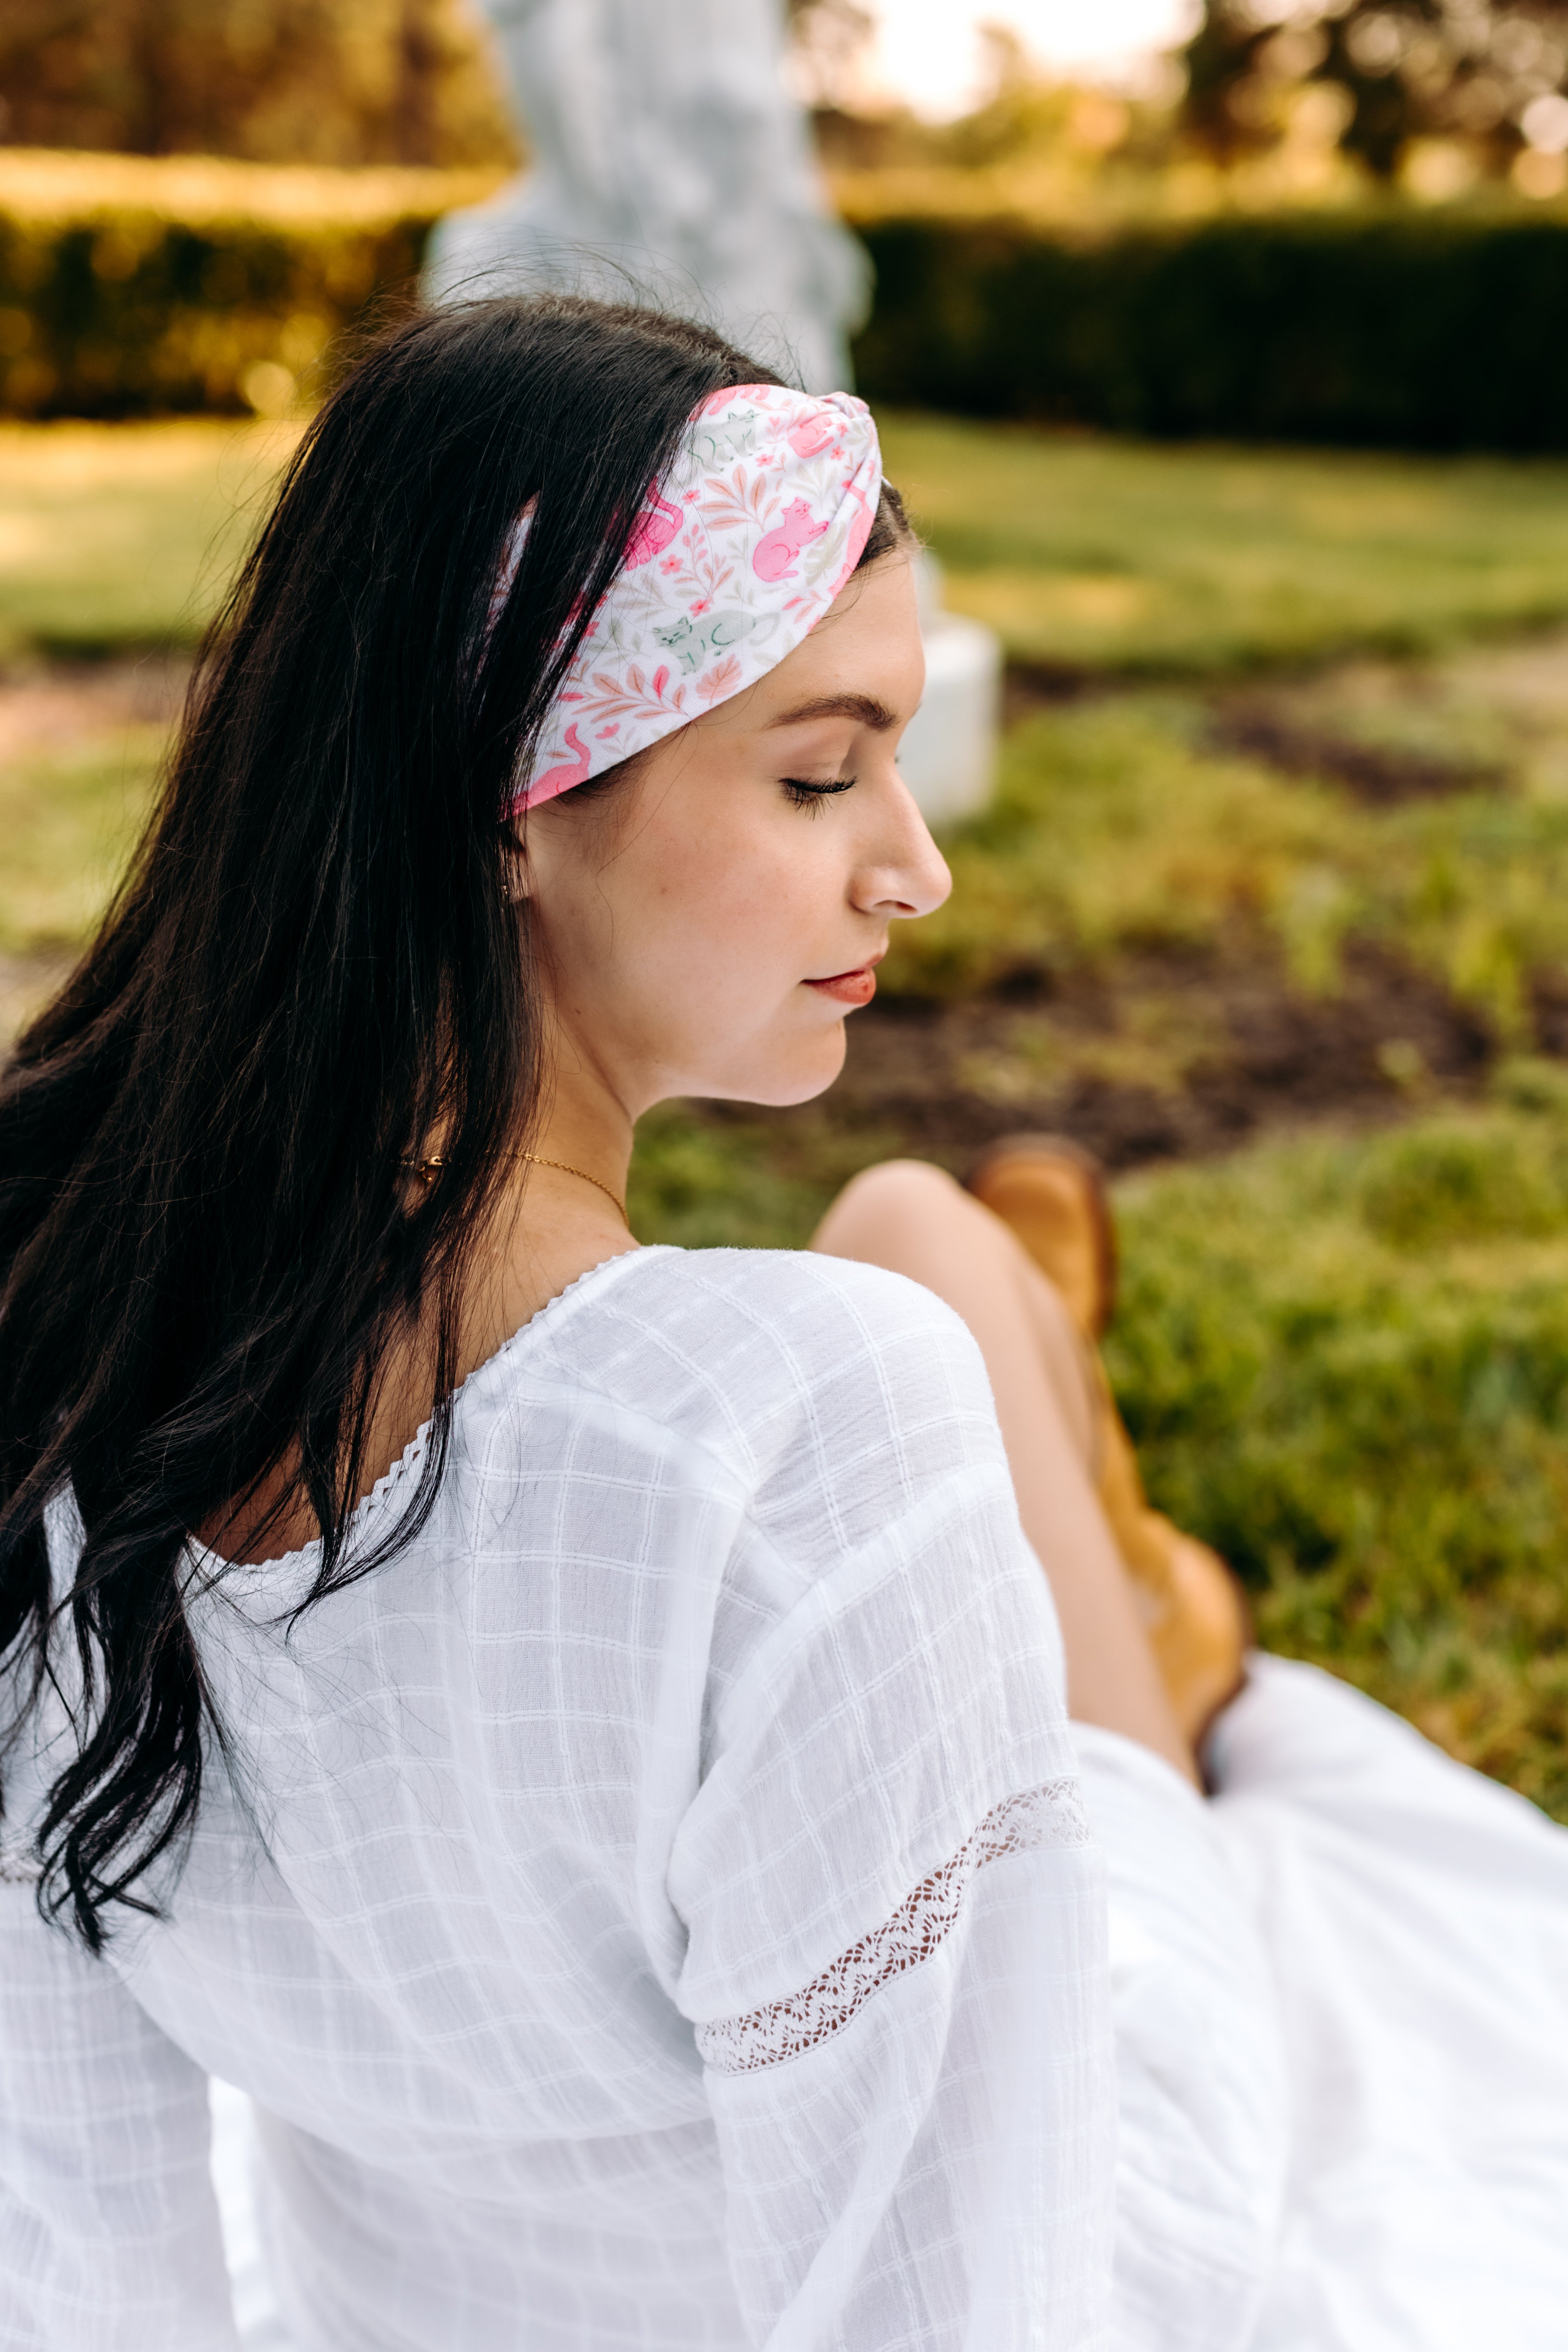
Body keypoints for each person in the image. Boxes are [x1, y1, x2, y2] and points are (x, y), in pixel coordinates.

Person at [1, 296, 1565, 2352]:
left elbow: (78, 2230)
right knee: (923, 1268)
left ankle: (1059, 1415)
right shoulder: (788, 1423)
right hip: (1112, 2170)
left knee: (923, 1274)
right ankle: (1121, 1550)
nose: (915, 869)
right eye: (824, 776)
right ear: (513, 806)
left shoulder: (54, 1325)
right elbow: (979, 2298)